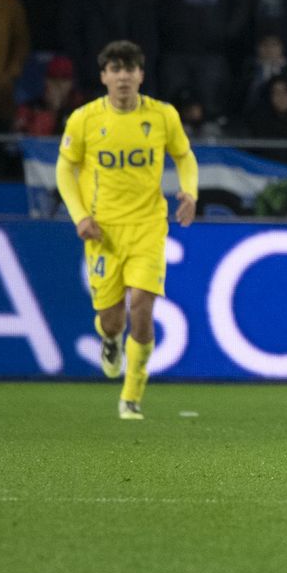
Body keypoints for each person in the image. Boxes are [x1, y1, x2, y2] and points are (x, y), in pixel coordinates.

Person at [55, 40, 199, 421]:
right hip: (103, 231)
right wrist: (79, 216)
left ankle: (131, 394)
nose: (123, 77)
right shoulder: (84, 119)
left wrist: (189, 192)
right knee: (112, 318)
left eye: (130, 69)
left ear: (141, 75)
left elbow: (184, 155)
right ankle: (108, 339)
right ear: (103, 76)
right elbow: (64, 169)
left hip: (149, 225)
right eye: (115, 69)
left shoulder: (162, 116)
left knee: (143, 307)